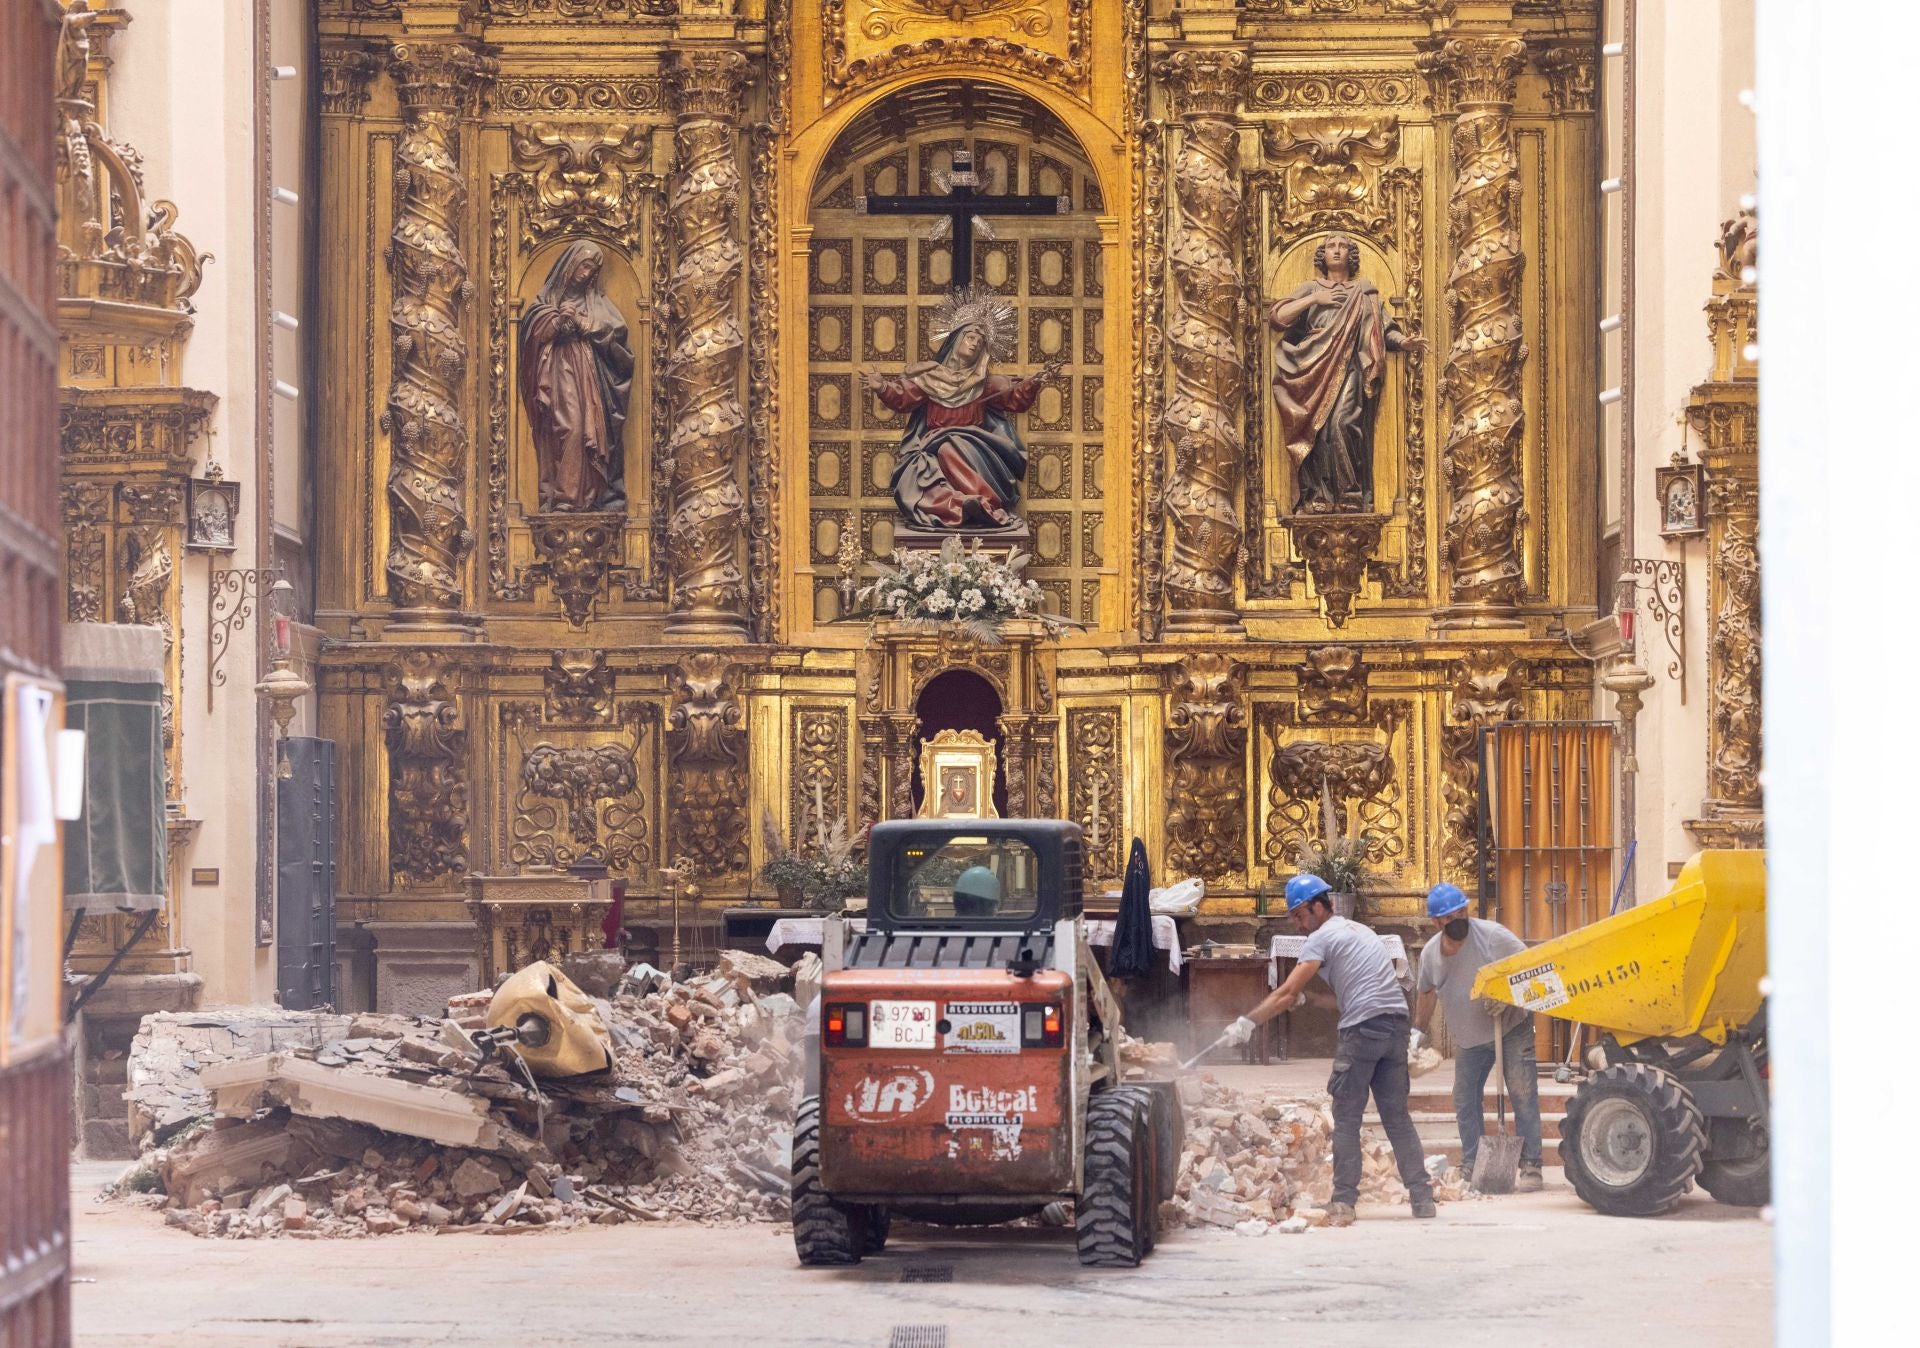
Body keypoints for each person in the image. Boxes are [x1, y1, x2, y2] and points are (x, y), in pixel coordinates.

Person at [1224, 873, 1433, 1226]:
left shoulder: (1320, 938)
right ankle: (1422, 1198)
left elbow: (1285, 993)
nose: (1297, 922)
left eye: (1300, 914)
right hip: (1395, 1024)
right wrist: (1311, 999)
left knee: (1347, 1117)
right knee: (1397, 1117)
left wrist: (1248, 1022)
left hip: (1363, 1031)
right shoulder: (1361, 932)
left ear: (1320, 906)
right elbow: (1347, 996)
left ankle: (1343, 1202)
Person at [1267, 232, 1424, 513]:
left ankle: (1350, 493)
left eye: (1343, 246)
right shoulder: (1311, 288)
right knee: (1316, 431)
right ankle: (1317, 496)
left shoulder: (1363, 292)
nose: (1337, 250)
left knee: (1341, 423)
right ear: (1323, 255)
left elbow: (1383, 328)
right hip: (1311, 371)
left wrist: (1403, 342)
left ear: (1350, 255)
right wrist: (1315, 299)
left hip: (1349, 368)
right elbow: (1278, 318)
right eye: (1331, 246)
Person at [864, 312, 1058, 530]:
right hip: (931, 446)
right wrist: (882, 387)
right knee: (916, 472)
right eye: (970, 337)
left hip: (974, 445)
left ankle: (981, 501)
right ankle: (957, 505)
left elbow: (1015, 397)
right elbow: (904, 397)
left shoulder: (984, 384)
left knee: (949, 447)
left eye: (980, 341)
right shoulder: (931, 377)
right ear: (957, 340)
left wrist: (1034, 383)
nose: (975, 344)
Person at [1411, 882, 1544, 1192]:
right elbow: (1427, 993)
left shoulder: (1494, 937)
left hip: (1511, 1026)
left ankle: (1532, 1166)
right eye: (1449, 916)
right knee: (1464, 1098)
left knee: (1523, 1093)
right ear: (1436, 922)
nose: (1459, 919)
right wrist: (1417, 1032)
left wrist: (1508, 996)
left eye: (1462, 912)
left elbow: (1532, 968)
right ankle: (1473, 1162)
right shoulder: (1431, 955)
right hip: (1469, 1037)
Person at [519, 240, 633, 513]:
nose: (586, 274)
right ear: (570, 265)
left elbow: (617, 337)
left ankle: (586, 498)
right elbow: (531, 332)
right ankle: (565, 499)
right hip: (558, 372)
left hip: (589, 377)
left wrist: (587, 325)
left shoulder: (598, 303)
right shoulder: (545, 302)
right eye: (583, 266)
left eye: (592, 269)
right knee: (570, 429)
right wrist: (557, 322)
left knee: (587, 433)